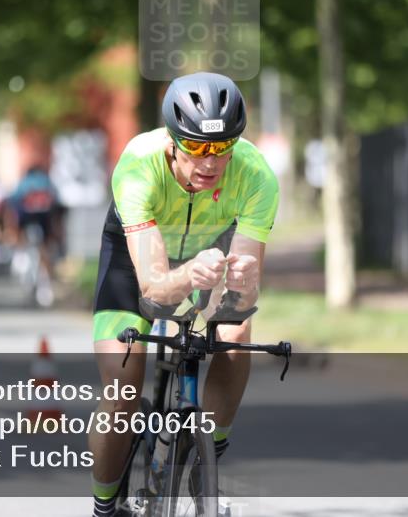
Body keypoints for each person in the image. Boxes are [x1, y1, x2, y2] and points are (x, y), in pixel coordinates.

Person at [88, 72, 279, 517]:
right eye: (197, 147)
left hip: (211, 253)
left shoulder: (256, 177)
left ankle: (206, 454)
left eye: (223, 147)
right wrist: (189, 273)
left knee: (237, 332)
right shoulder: (139, 165)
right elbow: (154, 286)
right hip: (135, 261)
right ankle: (104, 505)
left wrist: (242, 280)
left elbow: (245, 284)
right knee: (122, 392)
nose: (211, 161)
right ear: (173, 141)